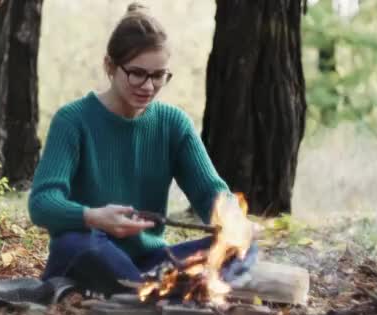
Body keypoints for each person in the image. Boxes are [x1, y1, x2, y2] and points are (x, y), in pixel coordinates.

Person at [29, 2, 256, 298]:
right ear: (109, 66)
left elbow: (210, 193)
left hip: (151, 261)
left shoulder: (173, 124)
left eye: (159, 75)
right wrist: (94, 217)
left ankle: (146, 292)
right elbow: (42, 203)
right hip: (90, 250)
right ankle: (161, 293)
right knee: (79, 244)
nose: (148, 86)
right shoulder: (72, 121)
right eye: (137, 73)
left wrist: (233, 221)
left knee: (242, 244)